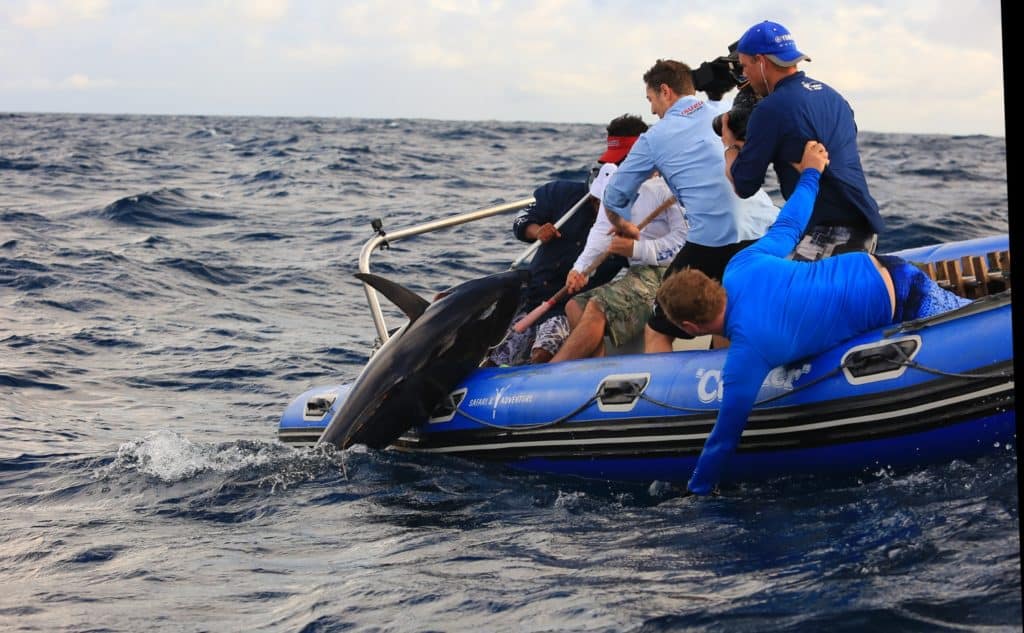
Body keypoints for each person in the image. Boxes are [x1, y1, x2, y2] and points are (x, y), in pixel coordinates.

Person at [656, 140, 971, 496]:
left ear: (689, 328)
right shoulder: (740, 266)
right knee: (969, 318)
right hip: (890, 266)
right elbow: (789, 224)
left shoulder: (746, 358)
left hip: (904, 301)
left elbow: (722, 440)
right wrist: (811, 172)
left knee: (976, 342)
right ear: (710, 284)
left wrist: (696, 491)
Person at [601, 59, 780, 354]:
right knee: (727, 309)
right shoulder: (723, 112)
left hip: (715, 239)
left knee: (658, 326)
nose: (652, 110)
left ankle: (660, 397)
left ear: (665, 91)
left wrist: (623, 225)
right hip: (766, 229)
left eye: (651, 100)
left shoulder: (653, 138)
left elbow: (614, 195)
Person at [484, 115, 647, 366]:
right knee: (497, 356)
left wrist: (632, 245)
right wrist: (536, 231)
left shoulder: (639, 211)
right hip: (532, 296)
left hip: (568, 305)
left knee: (543, 352)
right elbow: (520, 221)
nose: (602, 206)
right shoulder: (561, 193)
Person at [722, 20, 884, 261]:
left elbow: (744, 185)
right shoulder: (834, 97)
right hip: (865, 225)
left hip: (830, 232)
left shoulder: (770, 109)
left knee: (772, 292)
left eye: (745, 66)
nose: (745, 75)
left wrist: (732, 146)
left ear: (762, 61)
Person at [549, 162, 687, 362]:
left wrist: (635, 249)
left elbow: (684, 243)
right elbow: (600, 232)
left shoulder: (666, 191)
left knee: (598, 306)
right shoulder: (614, 191)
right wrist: (579, 269)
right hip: (638, 273)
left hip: (668, 273)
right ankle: (597, 372)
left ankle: (553, 370)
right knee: (574, 306)